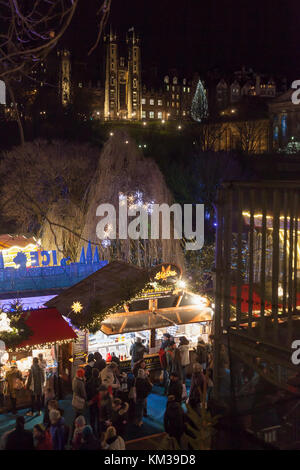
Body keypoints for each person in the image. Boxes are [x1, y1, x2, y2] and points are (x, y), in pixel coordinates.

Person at [86, 367, 100, 436]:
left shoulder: (88, 382)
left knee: (92, 417)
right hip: (97, 402)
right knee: (98, 416)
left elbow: (87, 392)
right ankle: (98, 432)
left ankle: (92, 431)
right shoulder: (99, 382)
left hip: (91, 402)